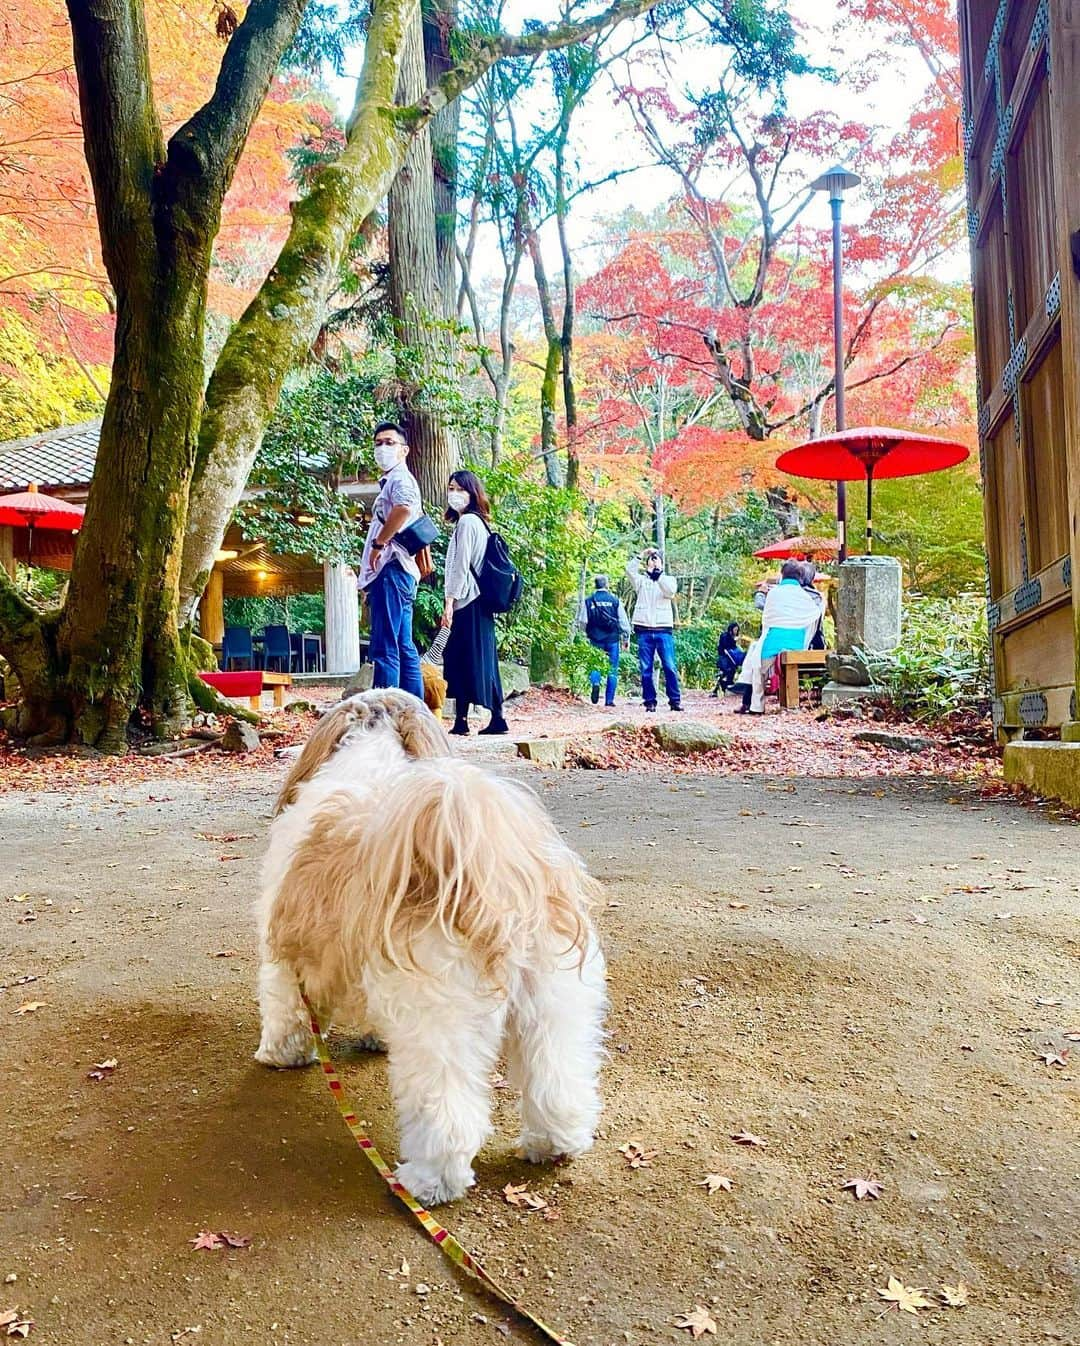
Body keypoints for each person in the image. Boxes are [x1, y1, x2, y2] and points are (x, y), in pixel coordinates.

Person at [359, 421, 424, 700]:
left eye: (389, 443)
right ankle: (415, 711)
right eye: (378, 443)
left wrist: (378, 544)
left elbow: (404, 509)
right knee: (403, 644)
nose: (382, 448)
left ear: (404, 450)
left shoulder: (400, 479)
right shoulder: (393, 480)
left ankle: (384, 713)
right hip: (402, 572)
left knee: (386, 645)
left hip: (392, 569)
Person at [440, 470, 508, 736]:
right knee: (482, 659)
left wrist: (449, 602)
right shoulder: (479, 522)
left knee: (461, 659)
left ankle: (463, 721)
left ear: (471, 492)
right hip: (480, 602)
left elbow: (459, 566)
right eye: (451, 488)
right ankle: (494, 717)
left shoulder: (468, 522)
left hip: (467, 600)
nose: (454, 494)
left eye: (459, 489)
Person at [747, 558, 824, 714]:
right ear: (800, 578)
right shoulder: (805, 596)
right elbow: (815, 616)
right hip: (797, 643)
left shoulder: (773, 593)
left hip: (772, 645)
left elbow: (767, 619)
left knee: (757, 668)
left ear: (782, 575)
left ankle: (757, 706)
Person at [626, 547, 682, 712]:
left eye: (656, 559)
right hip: (644, 629)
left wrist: (658, 575)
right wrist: (641, 555)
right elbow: (629, 571)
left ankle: (675, 701)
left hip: (663, 629)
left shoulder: (668, 580)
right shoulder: (641, 582)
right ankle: (649, 701)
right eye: (651, 559)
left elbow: (670, 592)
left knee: (670, 666)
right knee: (645, 668)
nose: (654, 561)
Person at [576, 575, 631, 707]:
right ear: (607, 585)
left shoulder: (588, 601)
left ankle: (595, 682)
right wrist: (626, 637)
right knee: (612, 668)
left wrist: (584, 633)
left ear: (595, 585)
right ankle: (609, 700)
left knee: (595, 665)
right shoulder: (615, 601)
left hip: (595, 638)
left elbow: (583, 621)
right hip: (612, 639)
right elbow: (623, 622)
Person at [711, 621, 745, 696]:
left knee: (730, 672)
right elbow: (725, 648)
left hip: (730, 658)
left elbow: (734, 648)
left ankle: (724, 688)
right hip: (724, 658)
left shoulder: (732, 637)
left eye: (737, 630)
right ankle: (721, 688)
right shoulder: (725, 636)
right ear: (731, 629)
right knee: (726, 672)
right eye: (735, 630)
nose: (736, 632)